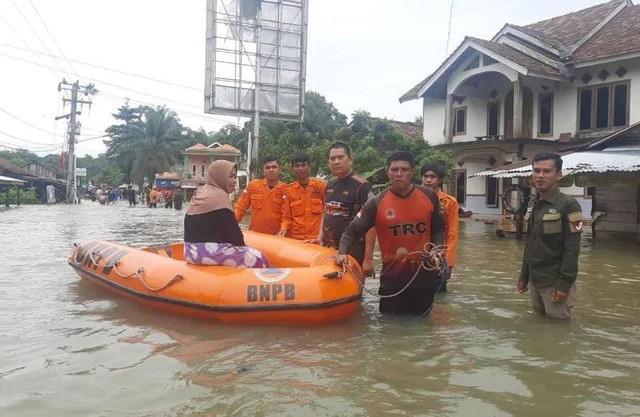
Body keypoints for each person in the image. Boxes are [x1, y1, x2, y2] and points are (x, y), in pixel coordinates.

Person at [336, 151, 446, 315]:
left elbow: (439, 227)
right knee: (389, 329)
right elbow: (351, 231)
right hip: (392, 281)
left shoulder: (429, 196)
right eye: (394, 170)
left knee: (422, 327)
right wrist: (342, 252)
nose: (399, 174)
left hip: (424, 278)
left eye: (404, 169)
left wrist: (436, 250)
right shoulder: (376, 203)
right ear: (387, 172)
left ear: (413, 172)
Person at [517, 152, 583, 319]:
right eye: (536, 171)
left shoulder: (568, 205)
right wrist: (524, 276)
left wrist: (564, 284)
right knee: (540, 325)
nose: (540, 176)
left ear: (559, 175)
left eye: (546, 171)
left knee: (558, 330)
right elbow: (530, 243)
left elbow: (572, 249)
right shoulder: (533, 204)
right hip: (535, 279)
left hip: (554, 281)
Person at [184, 160, 270, 268]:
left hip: (190, 252)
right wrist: (244, 249)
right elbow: (235, 235)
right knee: (258, 257)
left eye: (235, 177)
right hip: (208, 254)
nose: (234, 181)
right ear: (220, 176)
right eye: (230, 177)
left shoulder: (200, 193)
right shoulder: (221, 198)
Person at [309, 142, 376, 277]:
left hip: (354, 249)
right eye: (332, 159)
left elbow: (372, 225)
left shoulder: (362, 187)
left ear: (350, 159)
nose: (336, 162)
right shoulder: (330, 184)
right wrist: (320, 237)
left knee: (353, 288)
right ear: (328, 162)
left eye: (341, 157)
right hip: (329, 248)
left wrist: (368, 259)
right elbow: (326, 212)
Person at [421, 162, 459, 292]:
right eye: (425, 176)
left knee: (439, 295)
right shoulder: (414, 199)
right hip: (418, 253)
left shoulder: (449, 203)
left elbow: (452, 233)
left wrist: (449, 262)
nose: (428, 180)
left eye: (432, 176)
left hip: (439, 254)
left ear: (440, 179)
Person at [278, 152, 327, 240]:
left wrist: (321, 237)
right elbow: (286, 216)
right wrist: (283, 228)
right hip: (296, 239)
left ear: (309, 166)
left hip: (316, 239)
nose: (300, 168)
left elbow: (327, 212)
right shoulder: (289, 190)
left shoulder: (321, 186)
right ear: (292, 168)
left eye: (303, 165)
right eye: (297, 166)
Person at [235, 156, 286, 234]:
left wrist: (284, 227)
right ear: (263, 171)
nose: (271, 170)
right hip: (255, 236)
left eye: (274, 167)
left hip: (276, 238)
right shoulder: (253, 185)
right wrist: (231, 224)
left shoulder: (286, 190)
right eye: (267, 168)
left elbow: (287, 216)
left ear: (280, 169)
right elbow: (240, 208)